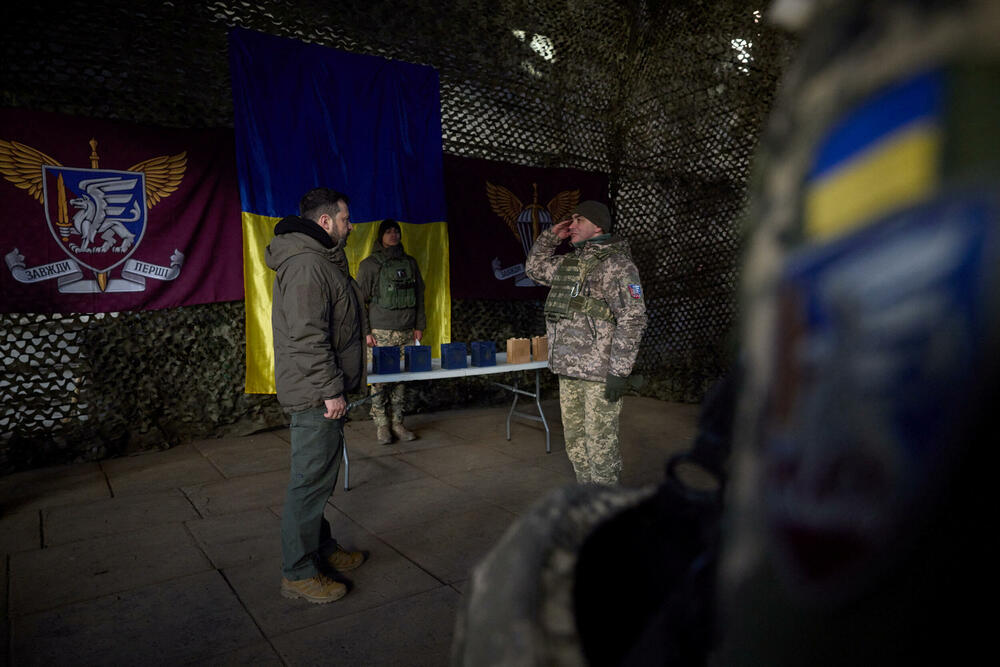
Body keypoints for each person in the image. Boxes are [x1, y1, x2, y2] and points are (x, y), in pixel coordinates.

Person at [265, 187, 367, 604]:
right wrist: (330, 391)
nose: (350, 226)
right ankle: (298, 572)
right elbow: (307, 337)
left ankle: (321, 547)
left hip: (318, 388)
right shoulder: (308, 264)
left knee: (319, 476)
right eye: (345, 219)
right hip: (315, 393)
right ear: (325, 222)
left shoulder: (318, 258)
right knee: (309, 483)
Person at [525, 200, 647, 484]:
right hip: (569, 369)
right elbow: (534, 268)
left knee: (600, 445)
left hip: (599, 373)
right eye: (571, 219)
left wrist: (619, 372)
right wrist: (551, 237)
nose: (572, 225)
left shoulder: (618, 266)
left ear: (598, 226)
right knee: (575, 441)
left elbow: (632, 319)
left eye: (579, 219)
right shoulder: (570, 263)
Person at [356, 218, 426, 445]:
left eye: (396, 231)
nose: (393, 234)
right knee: (380, 381)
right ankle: (382, 425)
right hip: (381, 332)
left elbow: (419, 296)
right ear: (381, 236)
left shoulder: (410, 263)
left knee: (402, 379)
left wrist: (419, 326)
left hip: (406, 331)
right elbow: (359, 302)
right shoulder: (369, 265)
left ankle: (398, 423)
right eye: (388, 231)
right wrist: (366, 332)